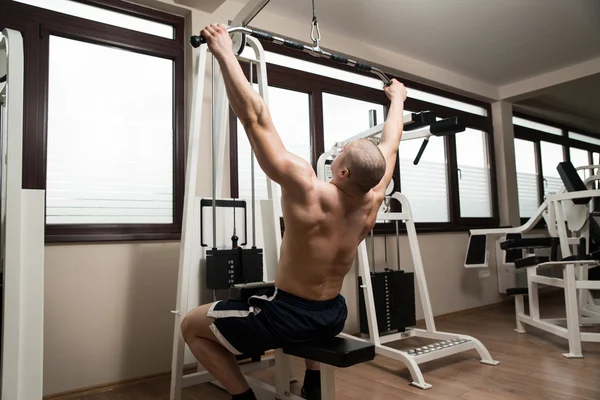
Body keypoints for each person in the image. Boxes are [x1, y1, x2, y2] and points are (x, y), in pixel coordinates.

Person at [181, 24, 408, 400]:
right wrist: (397, 99)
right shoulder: (374, 197)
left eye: (339, 156)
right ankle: (313, 384)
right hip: (333, 312)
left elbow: (255, 118)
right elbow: (392, 144)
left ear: (343, 171)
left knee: (191, 324)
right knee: (304, 316)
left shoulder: (308, 189)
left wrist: (224, 52)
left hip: (287, 317)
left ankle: (244, 397)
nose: (333, 158)